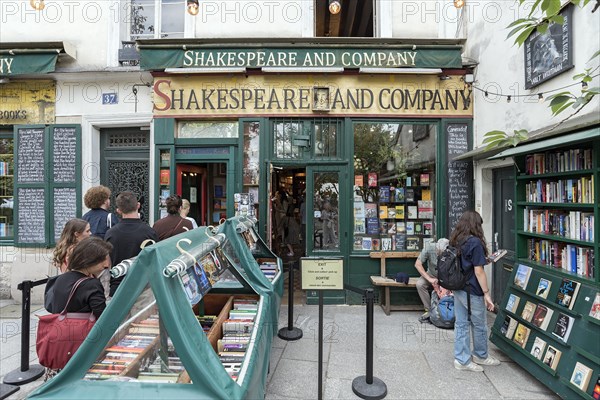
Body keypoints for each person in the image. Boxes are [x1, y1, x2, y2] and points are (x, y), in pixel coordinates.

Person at [43, 236, 113, 380]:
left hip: (61, 346)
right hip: (82, 347)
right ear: (89, 260)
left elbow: (55, 307)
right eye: (102, 260)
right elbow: (103, 318)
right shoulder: (92, 285)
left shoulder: (61, 279)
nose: (106, 265)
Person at [450, 210, 500, 372]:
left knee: (461, 324)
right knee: (479, 325)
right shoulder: (476, 243)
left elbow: (466, 262)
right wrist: (487, 294)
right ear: (476, 225)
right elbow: (478, 271)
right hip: (472, 290)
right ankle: (480, 355)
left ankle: (461, 359)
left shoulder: (456, 239)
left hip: (458, 287)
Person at [105, 191, 158, 296]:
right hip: (143, 287)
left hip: (118, 287)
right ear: (138, 205)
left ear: (119, 210)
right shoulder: (149, 232)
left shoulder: (110, 233)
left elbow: (107, 263)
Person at [414, 237, 449, 323]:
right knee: (420, 284)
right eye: (438, 251)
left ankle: (446, 311)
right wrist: (429, 279)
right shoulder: (429, 247)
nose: (439, 253)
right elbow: (417, 264)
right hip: (431, 275)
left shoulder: (451, 251)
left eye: (442, 252)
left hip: (446, 277)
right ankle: (429, 311)